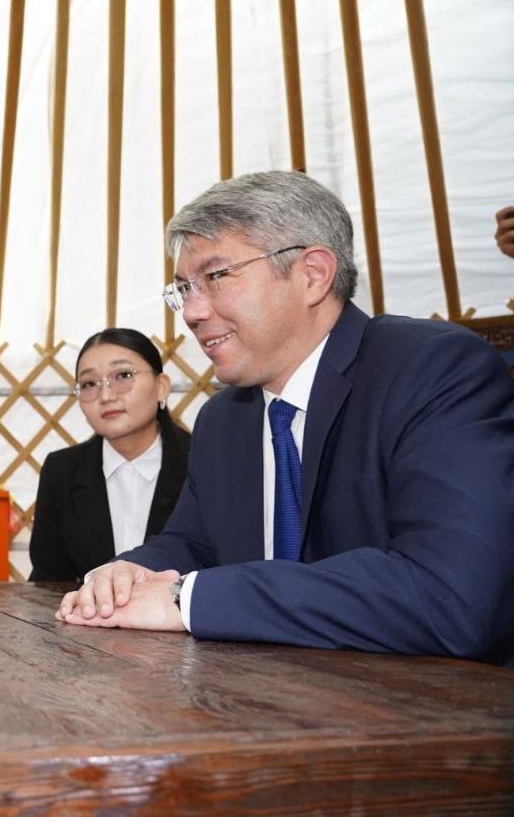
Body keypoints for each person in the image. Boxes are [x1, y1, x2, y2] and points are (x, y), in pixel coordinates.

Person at [56, 170, 514, 664]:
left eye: (215, 277)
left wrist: (187, 599)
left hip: (426, 703)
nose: (190, 312)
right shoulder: (223, 420)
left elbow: (449, 596)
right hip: (267, 695)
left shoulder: (431, 371)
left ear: (312, 274)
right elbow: (193, 544)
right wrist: (129, 573)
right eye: (183, 289)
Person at [29, 328, 190, 582]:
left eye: (123, 375)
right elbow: (47, 582)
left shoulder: (202, 462)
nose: (106, 396)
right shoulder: (62, 471)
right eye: (89, 384)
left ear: (161, 387)